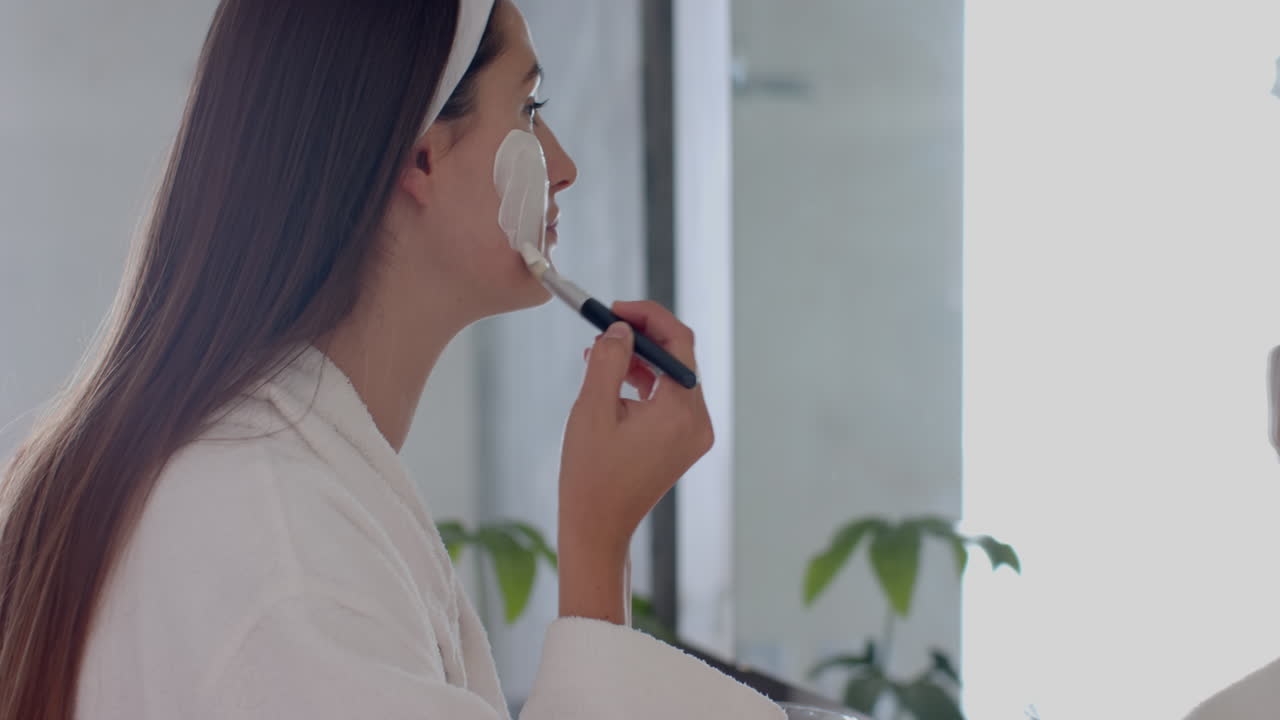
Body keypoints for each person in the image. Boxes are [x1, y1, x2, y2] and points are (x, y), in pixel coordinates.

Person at [0, 1, 784, 719]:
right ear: (421, 159)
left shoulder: (252, 483)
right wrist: (596, 543)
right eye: (531, 109)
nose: (565, 163)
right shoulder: (278, 545)